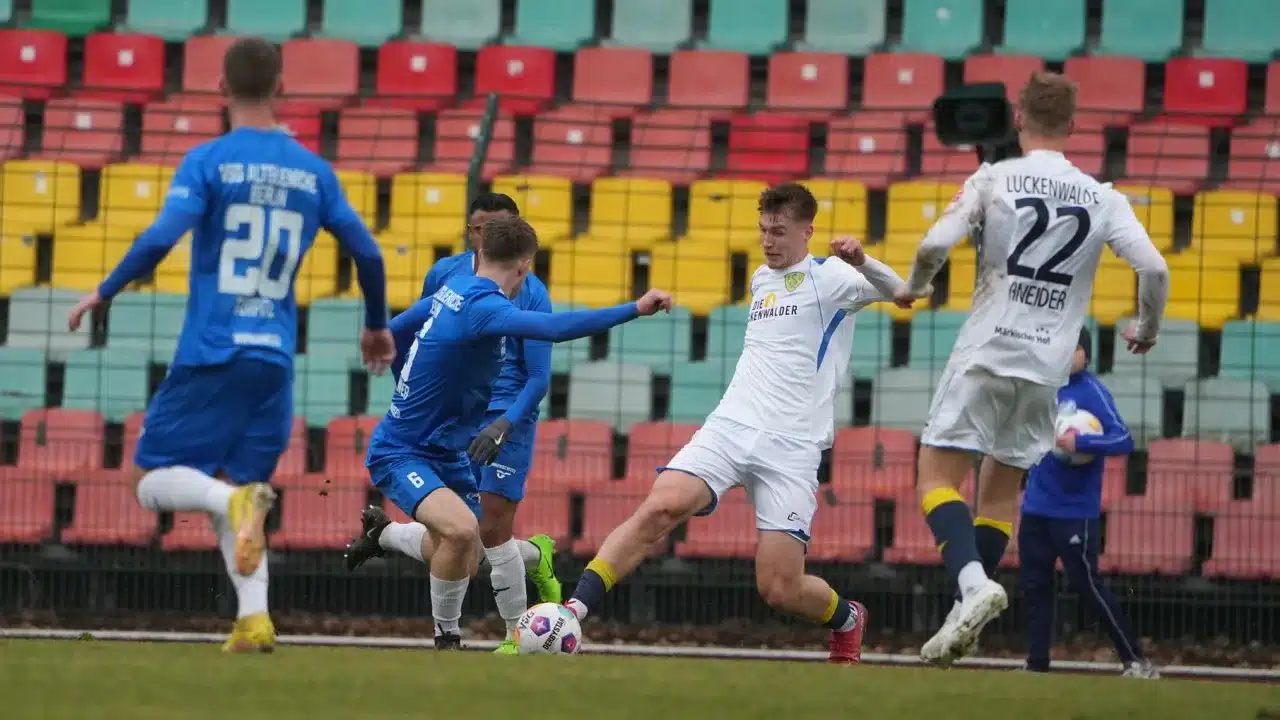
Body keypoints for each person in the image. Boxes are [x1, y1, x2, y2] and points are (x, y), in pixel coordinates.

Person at [65, 37, 393, 653]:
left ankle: (235, 507)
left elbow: (163, 235)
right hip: (273, 356)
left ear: (221, 89)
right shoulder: (313, 171)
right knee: (242, 494)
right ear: (283, 90)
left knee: (145, 477)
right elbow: (369, 252)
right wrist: (376, 324)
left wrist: (106, 291)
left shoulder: (209, 161)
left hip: (212, 349)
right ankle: (254, 618)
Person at [562, 183, 912, 665]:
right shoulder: (760, 280)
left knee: (779, 588)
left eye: (780, 232)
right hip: (730, 426)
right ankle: (573, 610)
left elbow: (909, 294)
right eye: (763, 230)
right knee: (659, 508)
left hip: (792, 446)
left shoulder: (833, 278)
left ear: (807, 231)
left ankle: (848, 618)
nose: (769, 241)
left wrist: (862, 262)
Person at [896, 70, 1170, 667]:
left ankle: (972, 586)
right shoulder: (1103, 196)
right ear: (1072, 127)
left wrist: (914, 288)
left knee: (936, 477)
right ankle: (964, 609)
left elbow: (933, 246)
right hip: (1046, 370)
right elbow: (1154, 269)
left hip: (987, 352)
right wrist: (1146, 329)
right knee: (997, 499)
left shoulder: (992, 178)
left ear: (1018, 120)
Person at [364, 215, 672, 650]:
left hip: (446, 450)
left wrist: (408, 385)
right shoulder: (485, 307)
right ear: (524, 266)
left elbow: (394, 331)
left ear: (480, 253)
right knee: (461, 532)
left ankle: (386, 534)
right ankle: (446, 640)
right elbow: (555, 330)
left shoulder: (451, 289)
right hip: (402, 450)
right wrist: (634, 309)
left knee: (463, 556)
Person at [346, 193, 562, 656]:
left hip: (506, 415)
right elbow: (424, 337)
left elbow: (538, 375)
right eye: (479, 229)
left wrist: (505, 422)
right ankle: (534, 556)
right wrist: (409, 389)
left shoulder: (532, 292)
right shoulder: (447, 275)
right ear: (471, 234)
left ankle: (516, 638)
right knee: (462, 538)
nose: (488, 238)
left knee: (481, 530)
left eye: (498, 228)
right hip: (455, 419)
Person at [1019, 328, 1158, 678]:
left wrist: (1081, 441)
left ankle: (1136, 661)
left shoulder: (1093, 392)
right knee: (1035, 586)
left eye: (1073, 349)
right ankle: (1036, 665)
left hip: (1074, 511)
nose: (1065, 356)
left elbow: (1123, 440)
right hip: (1036, 506)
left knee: (1088, 586)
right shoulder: (1042, 388)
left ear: (1085, 354)